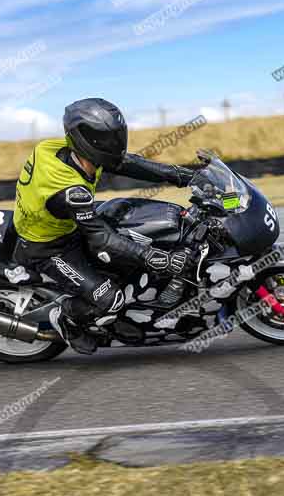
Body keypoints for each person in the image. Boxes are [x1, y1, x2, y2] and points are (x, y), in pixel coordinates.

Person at [12, 98, 205, 355]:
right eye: (106, 139)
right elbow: (101, 240)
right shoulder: (71, 191)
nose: (114, 144)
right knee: (110, 299)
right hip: (48, 247)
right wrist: (157, 259)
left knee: (135, 236)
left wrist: (184, 176)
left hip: (65, 222)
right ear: (86, 140)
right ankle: (67, 318)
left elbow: (128, 163)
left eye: (116, 136)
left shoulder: (57, 147)